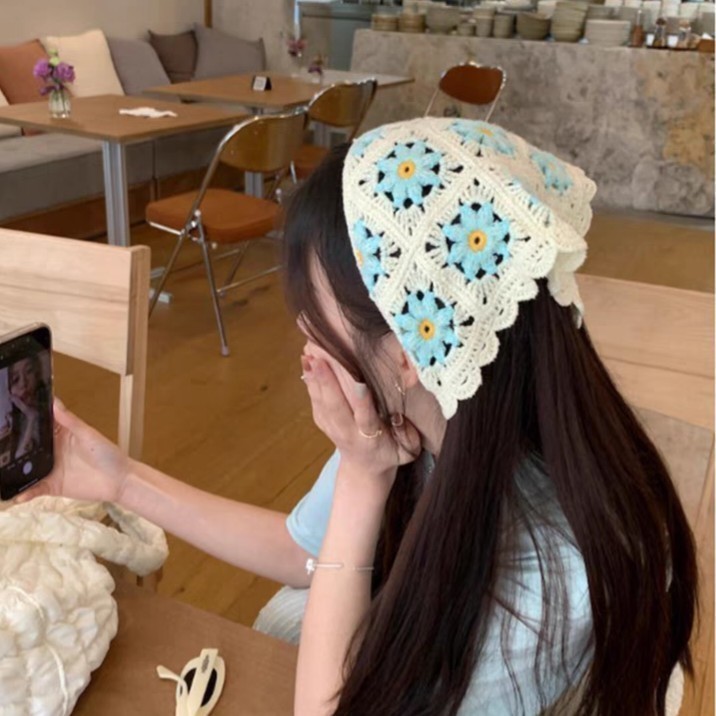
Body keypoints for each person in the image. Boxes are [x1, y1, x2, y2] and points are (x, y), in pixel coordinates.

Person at [17, 118, 697, 716]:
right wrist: (120, 480)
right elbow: (304, 551)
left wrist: (362, 480)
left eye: (314, 321)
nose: (305, 345)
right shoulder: (436, 410)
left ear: (406, 349)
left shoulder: (550, 572)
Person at [8, 355, 50, 460]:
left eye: (29, 371)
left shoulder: (50, 406)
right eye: (15, 379)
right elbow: (18, 459)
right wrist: (30, 416)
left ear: (37, 374)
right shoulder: (15, 420)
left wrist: (32, 417)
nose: (23, 383)